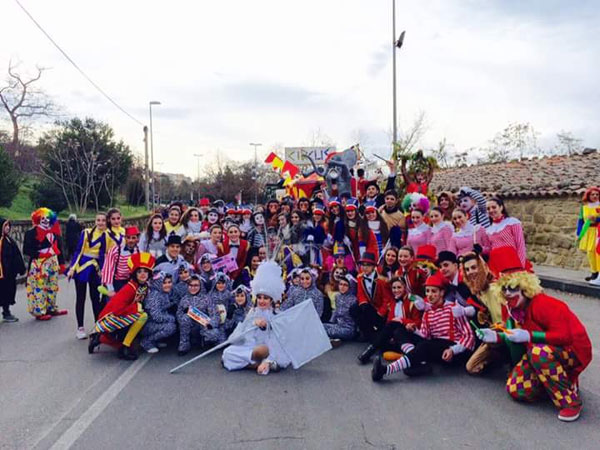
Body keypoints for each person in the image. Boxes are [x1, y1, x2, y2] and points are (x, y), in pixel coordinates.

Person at [476, 247, 592, 422]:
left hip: (572, 351)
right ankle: (558, 382)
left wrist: (530, 336)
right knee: (516, 389)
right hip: (539, 353)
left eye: (513, 287)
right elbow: (512, 333)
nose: (508, 293)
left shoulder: (544, 304)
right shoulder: (511, 308)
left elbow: (564, 337)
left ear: (525, 287)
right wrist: (496, 336)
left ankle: (570, 402)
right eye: (504, 288)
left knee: (539, 353)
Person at [371, 271, 475, 381]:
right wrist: (415, 330)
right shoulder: (427, 311)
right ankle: (418, 362)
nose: (429, 295)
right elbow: (426, 335)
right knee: (399, 331)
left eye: (434, 291)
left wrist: (453, 350)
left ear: (442, 292)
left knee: (425, 346)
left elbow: (469, 336)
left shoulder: (454, 309)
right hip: (435, 346)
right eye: (427, 291)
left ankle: (385, 370)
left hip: (454, 349)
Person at [222, 260, 290, 375]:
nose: (262, 301)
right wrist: (253, 323)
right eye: (259, 298)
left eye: (265, 298)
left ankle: (266, 362)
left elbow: (277, 342)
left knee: (263, 350)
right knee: (228, 353)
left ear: (271, 300)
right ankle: (257, 365)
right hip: (250, 347)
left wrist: (267, 325)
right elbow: (241, 335)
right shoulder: (252, 312)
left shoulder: (276, 315)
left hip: (269, 349)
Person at [88, 252, 156, 360]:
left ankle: (100, 339)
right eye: (139, 272)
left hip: (126, 314)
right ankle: (125, 347)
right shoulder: (130, 288)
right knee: (143, 316)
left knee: (141, 316)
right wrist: (137, 307)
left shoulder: (144, 286)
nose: (143, 274)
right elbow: (117, 310)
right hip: (111, 316)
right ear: (135, 274)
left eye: (145, 272)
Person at [459, 252, 506, 375]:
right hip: (492, 332)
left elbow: (504, 319)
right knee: (471, 367)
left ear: (482, 267)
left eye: (474, 267)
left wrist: (491, 329)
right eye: (467, 269)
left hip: (505, 332)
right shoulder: (479, 290)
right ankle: (499, 358)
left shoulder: (494, 288)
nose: (470, 272)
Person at [357, 276, 423, 364]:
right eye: (394, 288)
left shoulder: (413, 299)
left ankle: (369, 351)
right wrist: (390, 336)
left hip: (410, 333)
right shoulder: (392, 301)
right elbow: (389, 321)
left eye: (399, 287)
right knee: (381, 337)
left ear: (405, 287)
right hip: (396, 333)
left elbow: (418, 322)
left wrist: (402, 320)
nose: (396, 290)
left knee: (392, 328)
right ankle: (403, 354)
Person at [68, 213, 109, 339]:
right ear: (95, 221)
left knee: (95, 298)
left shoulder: (107, 236)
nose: (101, 222)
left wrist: (104, 271)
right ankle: (80, 327)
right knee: (80, 297)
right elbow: (78, 251)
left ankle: (97, 326)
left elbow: (105, 255)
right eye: (98, 220)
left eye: (103, 220)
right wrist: (72, 268)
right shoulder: (85, 232)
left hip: (96, 269)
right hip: (82, 267)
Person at [23, 208, 68, 320]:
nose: (45, 220)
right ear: (38, 219)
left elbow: (59, 249)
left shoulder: (54, 232)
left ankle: (51, 308)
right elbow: (26, 250)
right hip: (39, 264)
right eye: (43, 218)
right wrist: (41, 254)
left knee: (52, 286)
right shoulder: (31, 233)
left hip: (53, 262)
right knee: (39, 287)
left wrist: (62, 264)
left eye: (48, 218)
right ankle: (40, 312)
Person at [177, 275, 226, 356]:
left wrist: (211, 324)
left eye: (196, 285)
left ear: (200, 286)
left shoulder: (207, 299)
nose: (193, 288)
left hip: (203, 326)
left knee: (214, 334)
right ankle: (184, 345)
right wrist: (183, 318)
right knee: (185, 318)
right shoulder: (184, 299)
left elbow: (215, 314)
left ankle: (206, 341)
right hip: (190, 326)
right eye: (191, 285)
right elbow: (178, 314)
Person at [350, 252, 392, 344]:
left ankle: (375, 335)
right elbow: (360, 294)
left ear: (373, 267)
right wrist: (363, 303)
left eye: (368, 265)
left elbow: (387, 299)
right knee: (354, 309)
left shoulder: (382, 280)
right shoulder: (360, 277)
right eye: (363, 265)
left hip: (380, 310)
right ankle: (367, 333)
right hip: (369, 306)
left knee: (369, 312)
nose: (364, 268)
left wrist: (380, 313)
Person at [485, 197, 530, 275]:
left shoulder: (512, 222)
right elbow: (490, 249)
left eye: (494, 207)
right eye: (488, 209)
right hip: (497, 266)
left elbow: (520, 245)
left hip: (514, 264)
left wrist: (521, 267)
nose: (491, 210)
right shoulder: (488, 230)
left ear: (501, 207)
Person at [140, 272, 177, 353]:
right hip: (147, 325)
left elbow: (163, 306)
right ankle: (146, 341)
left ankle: (155, 341)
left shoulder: (163, 293)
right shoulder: (154, 296)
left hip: (153, 323)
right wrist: (172, 318)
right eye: (164, 283)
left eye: (169, 282)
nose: (168, 285)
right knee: (171, 327)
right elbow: (156, 316)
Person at [101, 226, 140, 299]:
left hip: (131, 282)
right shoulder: (116, 250)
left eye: (133, 238)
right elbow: (108, 269)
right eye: (128, 238)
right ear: (125, 238)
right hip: (116, 282)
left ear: (137, 239)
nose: (130, 240)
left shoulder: (139, 250)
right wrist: (110, 289)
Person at [0, 218, 26, 322]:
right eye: (5, 226)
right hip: (3, 273)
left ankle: (6, 312)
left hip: (9, 273)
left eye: (8, 226)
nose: (8, 228)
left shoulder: (8, 240)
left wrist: (20, 268)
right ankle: (6, 313)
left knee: (7, 292)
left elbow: (16, 255)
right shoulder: (1, 241)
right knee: (3, 292)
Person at [323, 274, 357, 344]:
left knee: (326, 331)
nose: (342, 287)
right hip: (338, 325)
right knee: (321, 326)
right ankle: (334, 339)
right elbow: (336, 311)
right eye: (341, 284)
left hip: (348, 329)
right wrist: (331, 322)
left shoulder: (354, 300)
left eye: (345, 285)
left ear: (350, 287)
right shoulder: (337, 296)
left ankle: (333, 339)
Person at [576, 187, 600, 283]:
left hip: (598, 231)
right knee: (590, 252)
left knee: (597, 252)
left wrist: (596, 219)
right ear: (588, 195)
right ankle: (594, 272)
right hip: (588, 231)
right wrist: (579, 233)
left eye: (597, 194)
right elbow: (581, 220)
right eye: (592, 194)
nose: (595, 196)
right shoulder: (584, 207)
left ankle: (599, 273)